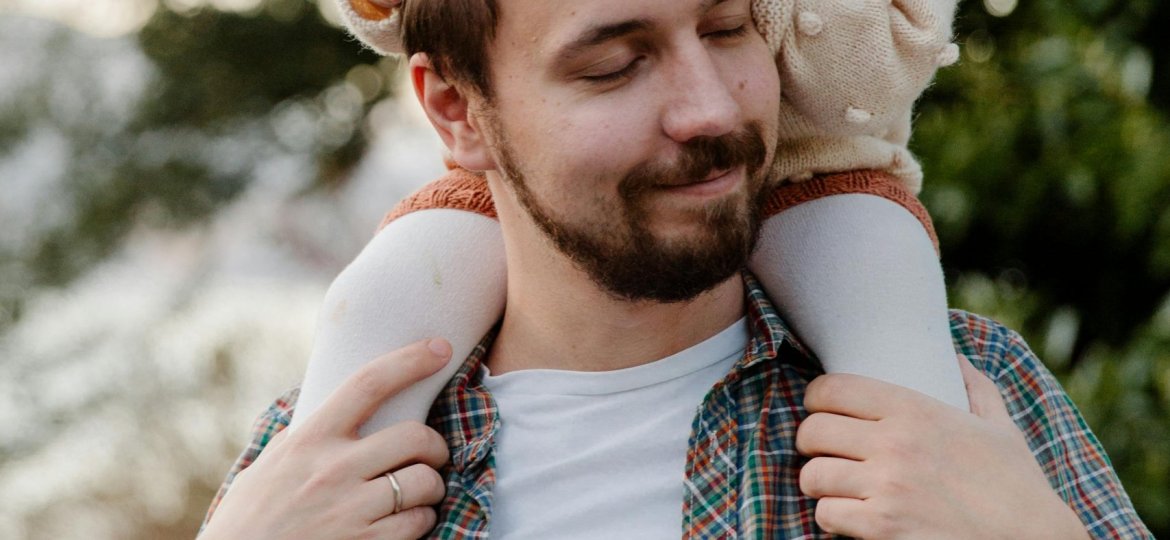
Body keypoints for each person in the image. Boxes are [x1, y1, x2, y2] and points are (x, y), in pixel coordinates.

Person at [199, 0, 1152, 538]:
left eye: (730, 28)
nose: (709, 109)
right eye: (615, 65)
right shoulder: (322, 460)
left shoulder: (964, 397)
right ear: (456, 111)